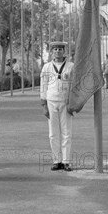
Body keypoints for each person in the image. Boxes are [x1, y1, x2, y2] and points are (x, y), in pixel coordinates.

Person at [40, 41, 74, 171]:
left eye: (60, 49)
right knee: (53, 133)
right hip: (51, 101)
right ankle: (56, 160)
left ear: (64, 51)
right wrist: (43, 105)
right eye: (55, 49)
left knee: (66, 132)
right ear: (52, 52)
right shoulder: (47, 67)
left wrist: (73, 103)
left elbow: (74, 85)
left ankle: (66, 161)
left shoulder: (71, 66)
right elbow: (43, 86)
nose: (58, 51)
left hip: (65, 101)